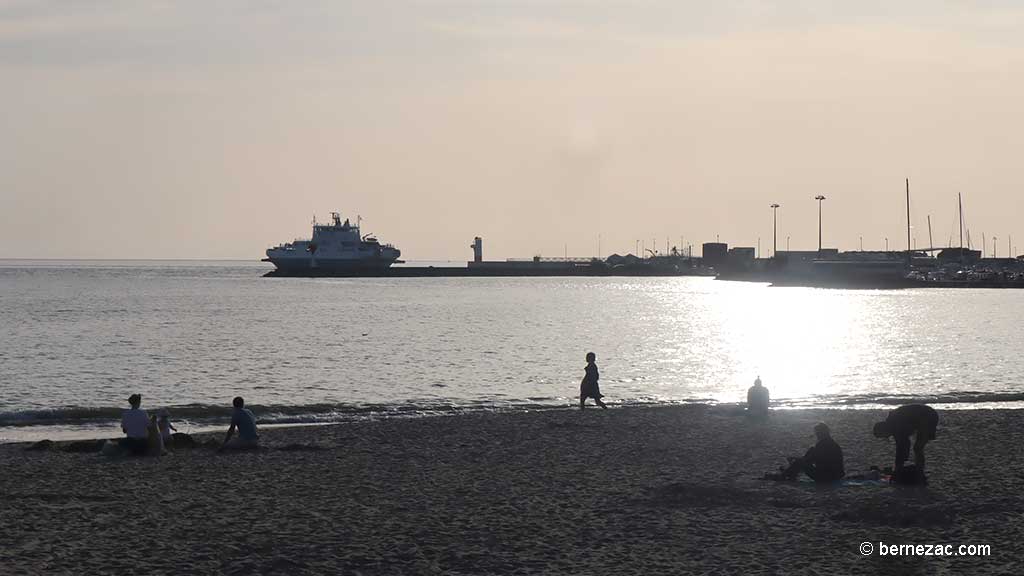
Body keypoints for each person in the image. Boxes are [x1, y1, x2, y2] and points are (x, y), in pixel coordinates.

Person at [873, 404, 939, 472]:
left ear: (884, 429)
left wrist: (898, 466)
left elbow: (903, 445)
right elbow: (902, 445)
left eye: (883, 435)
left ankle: (919, 470)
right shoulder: (892, 423)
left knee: (918, 447)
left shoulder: (896, 425)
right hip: (924, 415)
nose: (886, 437)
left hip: (928, 416)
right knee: (916, 447)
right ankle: (918, 468)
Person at [780, 422, 845, 483]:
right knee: (803, 458)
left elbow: (808, 460)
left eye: (817, 433)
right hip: (837, 475)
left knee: (800, 462)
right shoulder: (832, 443)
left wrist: (796, 460)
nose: (816, 435)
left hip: (826, 476)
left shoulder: (822, 445)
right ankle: (790, 473)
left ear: (820, 433)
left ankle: (784, 475)